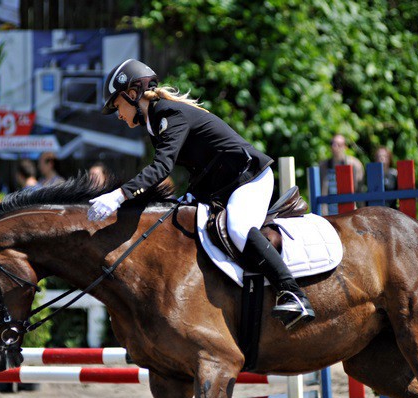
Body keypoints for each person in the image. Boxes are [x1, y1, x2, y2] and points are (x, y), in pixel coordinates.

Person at [88, 58, 314, 329]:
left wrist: (118, 196)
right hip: (221, 184)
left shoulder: (169, 114)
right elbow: (201, 166)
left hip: (248, 178)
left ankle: (292, 292)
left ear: (133, 94)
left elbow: (162, 167)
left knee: (239, 229)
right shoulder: (156, 122)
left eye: (117, 105)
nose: (118, 114)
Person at [318, 134, 364, 214]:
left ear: (345, 147)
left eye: (338, 144)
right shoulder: (323, 166)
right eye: (332, 143)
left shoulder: (355, 165)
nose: (334, 146)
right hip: (328, 213)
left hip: (348, 211)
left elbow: (360, 191)